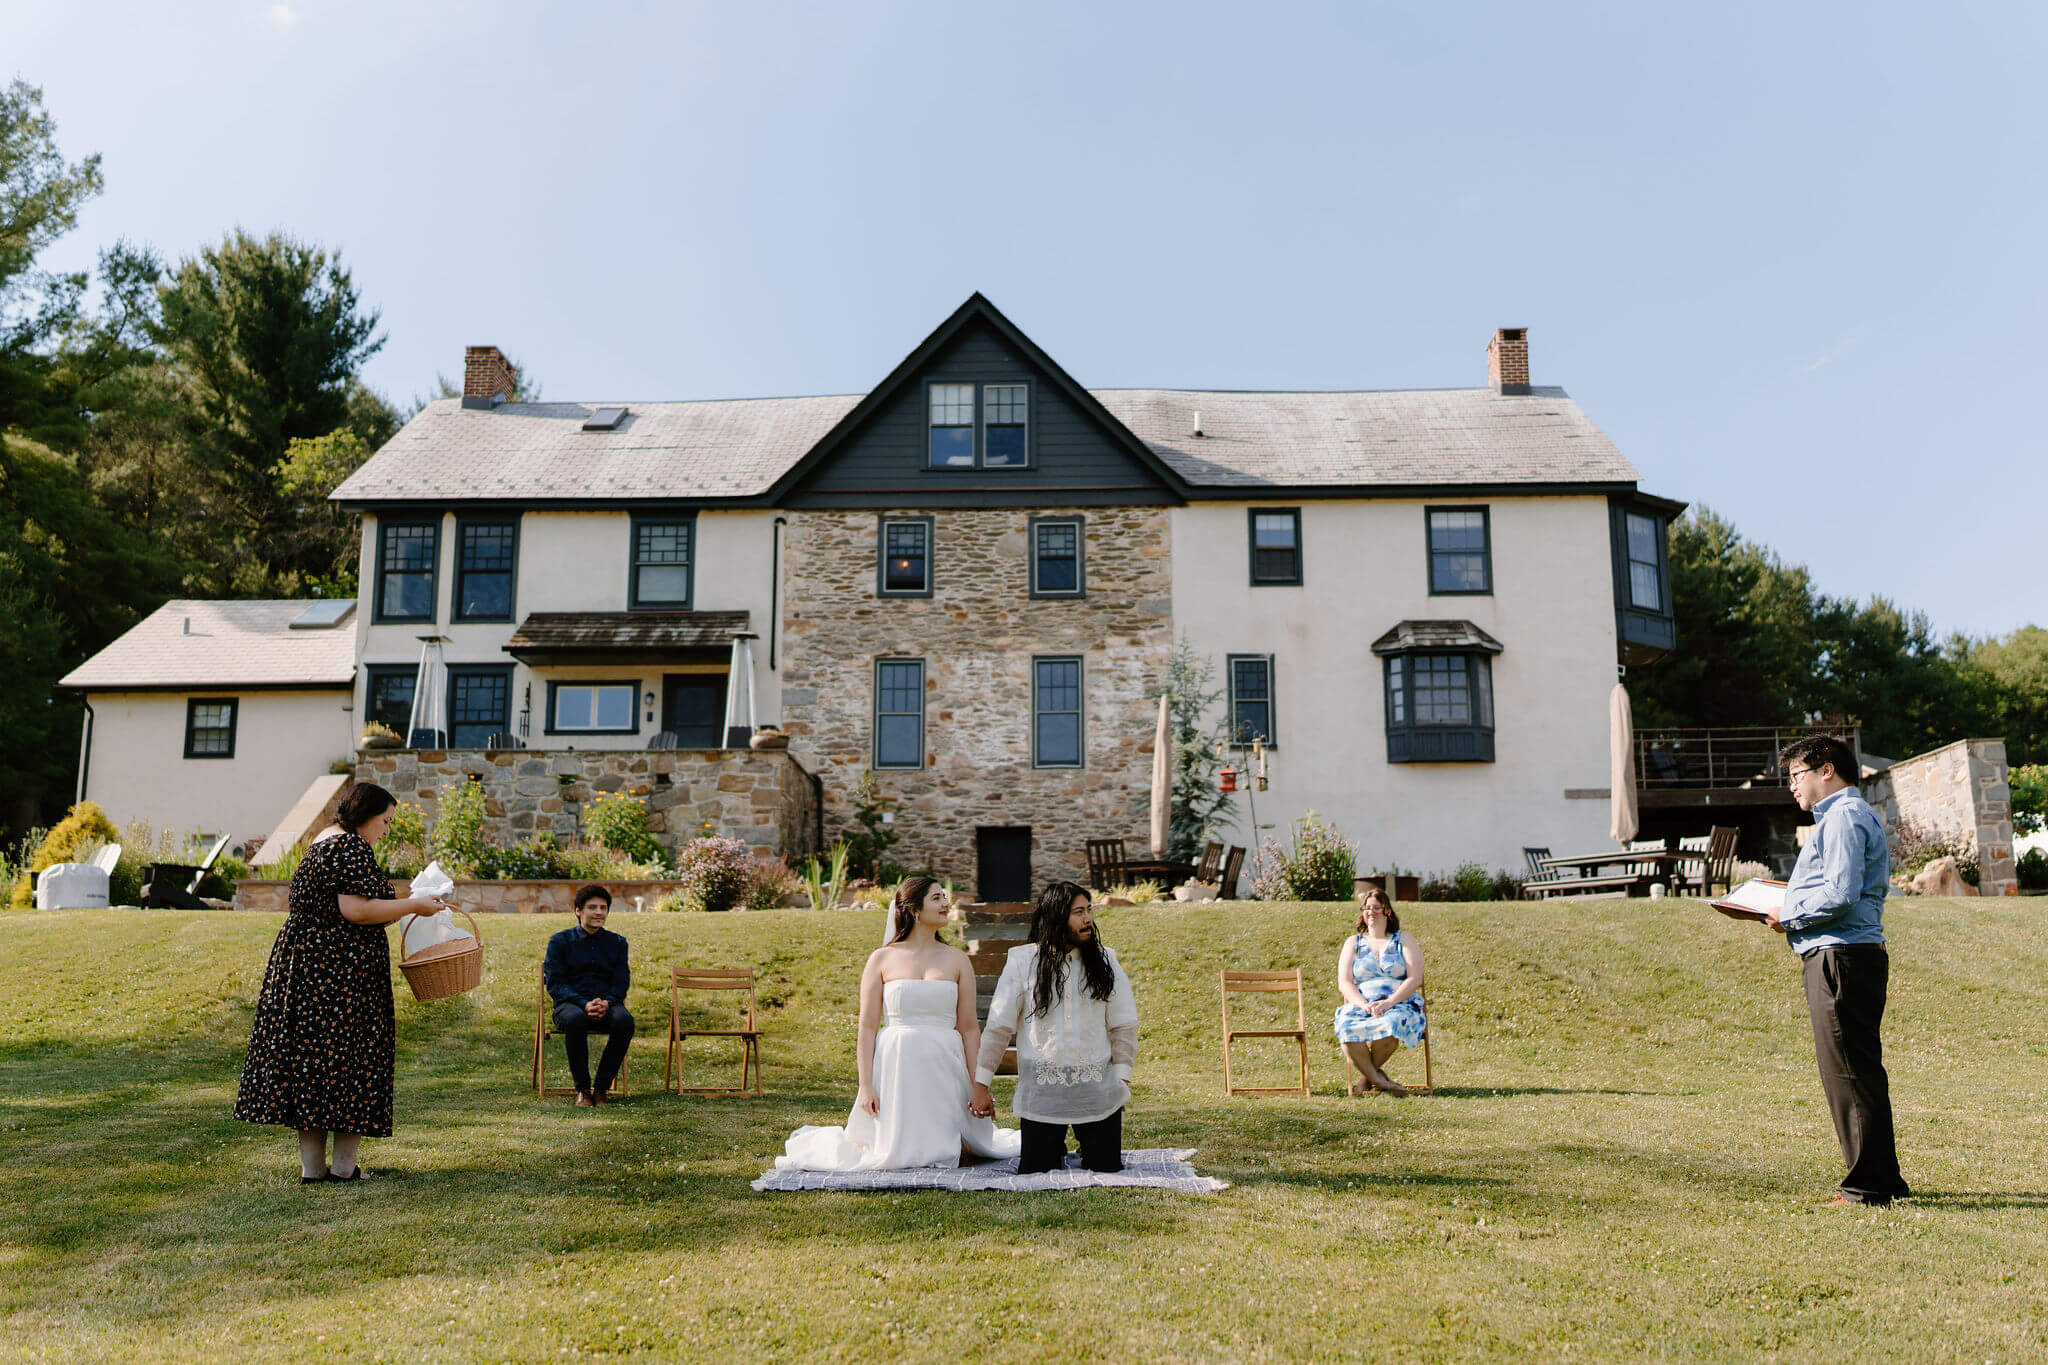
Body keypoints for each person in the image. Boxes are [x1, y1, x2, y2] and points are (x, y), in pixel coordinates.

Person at [233, 782, 450, 1183]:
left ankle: (314, 1172)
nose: (386, 830)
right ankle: (345, 1169)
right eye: (384, 821)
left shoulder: (324, 840)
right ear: (365, 815)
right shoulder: (349, 846)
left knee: (312, 1064)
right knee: (353, 1060)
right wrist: (416, 905)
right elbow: (356, 910)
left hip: (307, 966)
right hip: (339, 972)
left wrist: (404, 898)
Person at [776, 877, 1020, 1170]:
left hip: (945, 1060)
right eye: (937, 898)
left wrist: (978, 1084)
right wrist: (866, 1086)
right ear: (915, 909)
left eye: (945, 896)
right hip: (897, 1061)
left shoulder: (957, 960)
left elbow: (968, 1027)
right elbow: (867, 1027)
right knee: (892, 1149)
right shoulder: (881, 959)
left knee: (952, 1143)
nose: (946, 903)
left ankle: (955, 1141)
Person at [1765, 734, 1910, 1206]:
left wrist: (1790, 913)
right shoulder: (1842, 818)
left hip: (1841, 955)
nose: (1792, 787)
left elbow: (1842, 892)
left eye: (1796, 776)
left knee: (1849, 1071)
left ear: (1826, 769)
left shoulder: (1844, 816)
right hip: (1845, 954)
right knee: (1856, 1069)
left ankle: (1867, 1187)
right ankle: (1882, 1179)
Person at [973, 880, 1138, 1174]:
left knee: (1107, 1168)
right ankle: (1055, 1146)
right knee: (1036, 1170)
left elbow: (1123, 1025)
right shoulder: (1023, 962)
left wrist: (1121, 1081)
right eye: (1078, 912)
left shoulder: (1106, 960)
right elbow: (999, 1027)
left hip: (1097, 1091)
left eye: (1089, 910)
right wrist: (981, 1085)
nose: (1087, 919)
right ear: (1056, 916)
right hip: (1042, 1093)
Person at [1332, 887, 1427, 1098]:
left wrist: (1390, 1002)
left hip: (1399, 1003)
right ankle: (1379, 1080)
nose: (1371, 912)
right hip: (1362, 1004)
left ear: (1387, 911)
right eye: (1366, 908)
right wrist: (1363, 1004)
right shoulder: (1353, 943)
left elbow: (1415, 978)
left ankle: (1366, 1080)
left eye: (1376, 908)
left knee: (1391, 1025)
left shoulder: (1403, 939)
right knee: (1346, 1027)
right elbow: (1345, 982)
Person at [544, 885, 634, 1107]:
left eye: (603, 908)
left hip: (608, 1003)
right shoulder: (559, 942)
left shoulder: (618, 943)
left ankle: (602, 1088)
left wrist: (607, 1001)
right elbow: (556, 983)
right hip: (570, 1005)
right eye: (592, 907)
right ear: (578, 911)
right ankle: (583, 1090)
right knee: (576, 1019)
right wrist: (584, 1004)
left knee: (624, 1021)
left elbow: (621, 981)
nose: (598, 912)